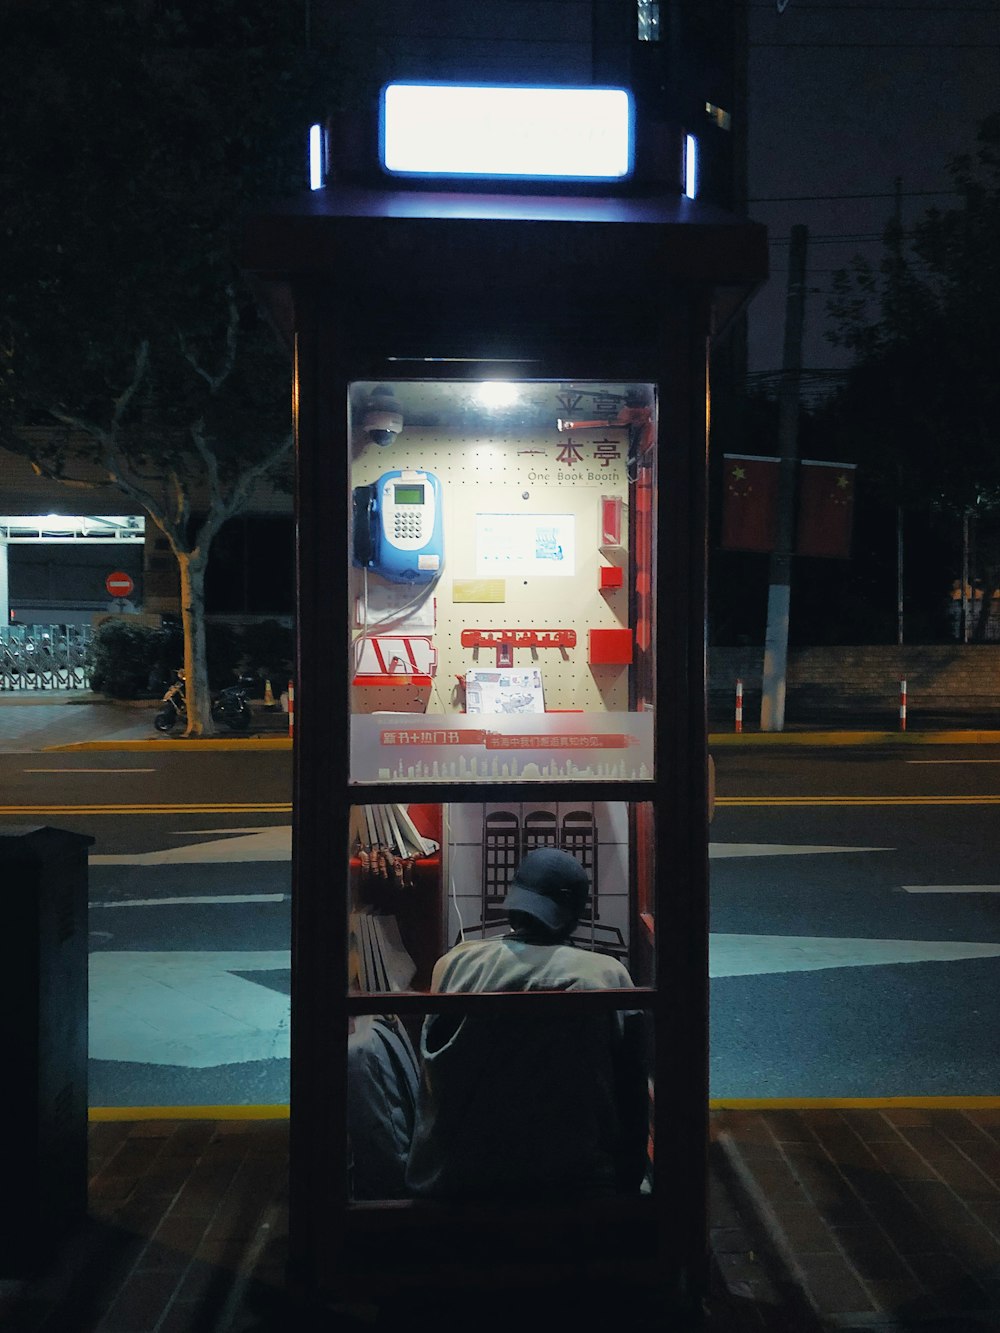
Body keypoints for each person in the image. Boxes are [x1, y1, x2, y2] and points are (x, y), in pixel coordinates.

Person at [405, 847, 648, 1200]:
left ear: (515, 901)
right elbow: (632, 1095)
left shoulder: (454, 964)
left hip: (456, 1180)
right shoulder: (605, 974)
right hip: (577, 1185)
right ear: (574, 912)